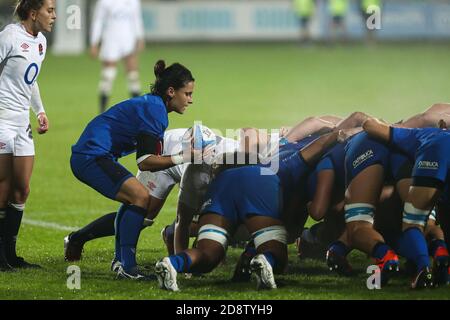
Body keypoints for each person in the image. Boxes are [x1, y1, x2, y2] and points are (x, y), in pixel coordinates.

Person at [154, 129, 350, 291]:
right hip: (259, 184)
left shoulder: (277, 153)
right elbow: (320, 145)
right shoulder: (288, 164)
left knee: (208, 254)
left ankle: (173, 264)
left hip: (223, 185)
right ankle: (264, 260)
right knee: (278, 255)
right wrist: (338, 135)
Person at [70, 60, 195, 280]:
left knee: (136, 198)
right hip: (91, 155)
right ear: (171, 91)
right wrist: (183, 157)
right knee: (139, 197)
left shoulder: (154, 106)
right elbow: (145, 162)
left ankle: (122, 263)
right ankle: (127, 267)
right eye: (187, 93)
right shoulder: (155, 110)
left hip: (96, 154)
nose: (190, 100)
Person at [0, 0, 55, 271]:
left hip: (22, 122)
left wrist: (40, 111)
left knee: (22, 189)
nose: (54, 16)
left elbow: (30, 81)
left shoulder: (41, 42)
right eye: (50, 10)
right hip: (1, 119)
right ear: (34, 13)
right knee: (3, 186)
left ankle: (11, 255)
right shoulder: (10, 36)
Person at [362, 118, 450, 288]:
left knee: (413, 222)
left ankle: (423, 269)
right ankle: (443, 258)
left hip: (434, 155)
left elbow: (370, 126)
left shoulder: (420, 133)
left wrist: (389, 124)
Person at [90, 0, 145, 113]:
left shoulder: (134, 2)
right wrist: (94, 42)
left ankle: (138, 111)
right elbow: (98, 21)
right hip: (111, 39)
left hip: (128, 38)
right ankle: (102, 111)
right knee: (108, 75)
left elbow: (137, 19)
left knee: (133, 75)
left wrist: (140, 37)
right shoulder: (104, 2)